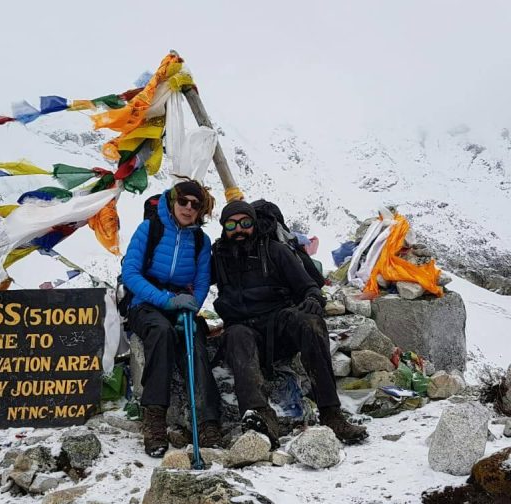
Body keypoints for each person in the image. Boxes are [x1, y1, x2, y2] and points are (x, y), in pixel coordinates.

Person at [211, 200, 368, 447]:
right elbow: (192, 280)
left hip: (279, 325)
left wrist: (313, 299)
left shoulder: (275, 251)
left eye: (245, 223)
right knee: (236, 335)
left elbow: (308, 286)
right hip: (243, 329)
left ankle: (331, 413)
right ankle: (259, 415)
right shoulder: (218, 257)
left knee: (309, 323)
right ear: (224, 228)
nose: (239, 229)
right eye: (231, 224)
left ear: (254, 223)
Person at [122, 178, 222, 457]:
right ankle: (154, 420)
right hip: (144, 302)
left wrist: (190, 307)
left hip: (181, 304)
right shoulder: (149, 229)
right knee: (161, 332)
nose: (188, 208)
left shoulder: (201, 241)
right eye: (183, 202)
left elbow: (202, 283)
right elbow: (131, 274)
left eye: (195, 204)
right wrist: (166, 300)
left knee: (194, 339)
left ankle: (208, 422)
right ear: (172, 200)